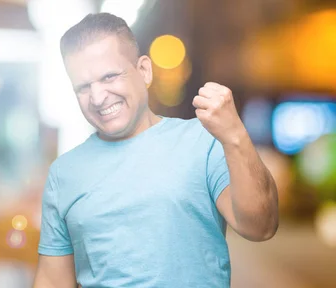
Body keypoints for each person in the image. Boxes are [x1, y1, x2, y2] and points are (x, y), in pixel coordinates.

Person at [33, 13, 279, 288]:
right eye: (83, 87)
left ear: (144, 71)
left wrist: (235, 136)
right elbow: (53, 281)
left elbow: (261, 226)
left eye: (110, 76)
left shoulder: (203, 141)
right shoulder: (64, 172)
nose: (98, 97)